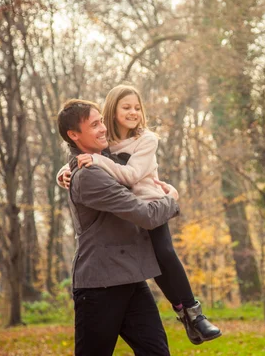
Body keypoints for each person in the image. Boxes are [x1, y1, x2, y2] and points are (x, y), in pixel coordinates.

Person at [58, 85, 221, 345]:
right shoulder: (98, 157)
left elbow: (125, 173)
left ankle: (192, 313)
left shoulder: (144, 140)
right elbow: (84, 160)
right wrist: (64, 172)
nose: (133, 112)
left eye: (137, 107)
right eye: (126, 107)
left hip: (146, 217)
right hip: (103, 280)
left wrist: (170, 198)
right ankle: (188, 313)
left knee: (164, 254)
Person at [58, 99, 179, 356]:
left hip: (130, 279)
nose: (103, 128)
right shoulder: (90, 176)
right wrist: (172, 200)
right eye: (94, 125)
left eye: (101, 120)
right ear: (74, 135)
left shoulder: (101, 161)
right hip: (99, 286)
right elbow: (144, 214)